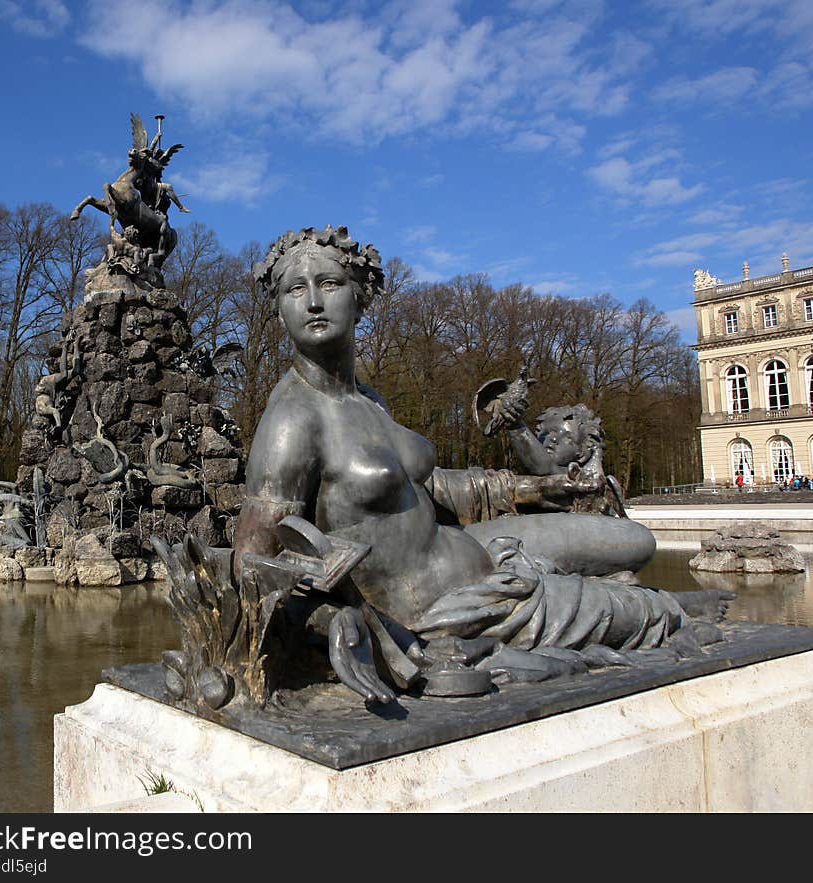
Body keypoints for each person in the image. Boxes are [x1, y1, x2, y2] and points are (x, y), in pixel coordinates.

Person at [232, 226, 719, 704]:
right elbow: (252, 566)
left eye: (330, 284)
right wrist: (338, 626)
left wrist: (530, 490)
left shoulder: (367, 400)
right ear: (280, 312)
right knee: (640, 611)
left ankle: (641, 602)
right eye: (296, 289)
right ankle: (664, 609)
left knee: (634, 543)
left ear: (360, 299)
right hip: (443, 611)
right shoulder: (293, 420)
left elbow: (422, 489)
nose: (313, 301)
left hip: (476, 557)